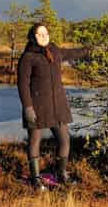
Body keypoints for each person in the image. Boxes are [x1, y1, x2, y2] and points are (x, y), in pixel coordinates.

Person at [17, 23, 88, 189]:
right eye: (40, 34)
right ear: (33, 37)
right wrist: (28, 107)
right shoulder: (28, 57)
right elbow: (22, 84)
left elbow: (70, 53)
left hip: (58, 105)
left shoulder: (54, 50)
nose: (44, 37)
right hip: (37, 106)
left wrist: (88, 50)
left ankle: (61, 173)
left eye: (46, 33)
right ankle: (35, 178)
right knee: (35, 140)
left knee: (64, 140)